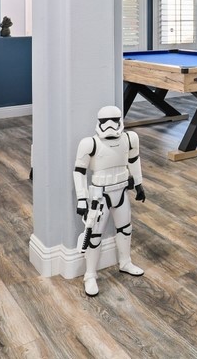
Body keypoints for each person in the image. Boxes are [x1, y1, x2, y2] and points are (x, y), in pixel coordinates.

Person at [73, 104, 146, 296]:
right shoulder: (90, 143)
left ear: (121, 120)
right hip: (99, 195)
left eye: (115, 120)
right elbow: (79, 171)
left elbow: (134, 160)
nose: (111, 126)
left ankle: (125, 262)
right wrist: (82, 198)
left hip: (121, 190)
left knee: (125, 229)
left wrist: (139, 183)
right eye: (105, 122)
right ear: (99, 123)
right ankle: (90, 275)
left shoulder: (130, 138)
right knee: (94, 235)